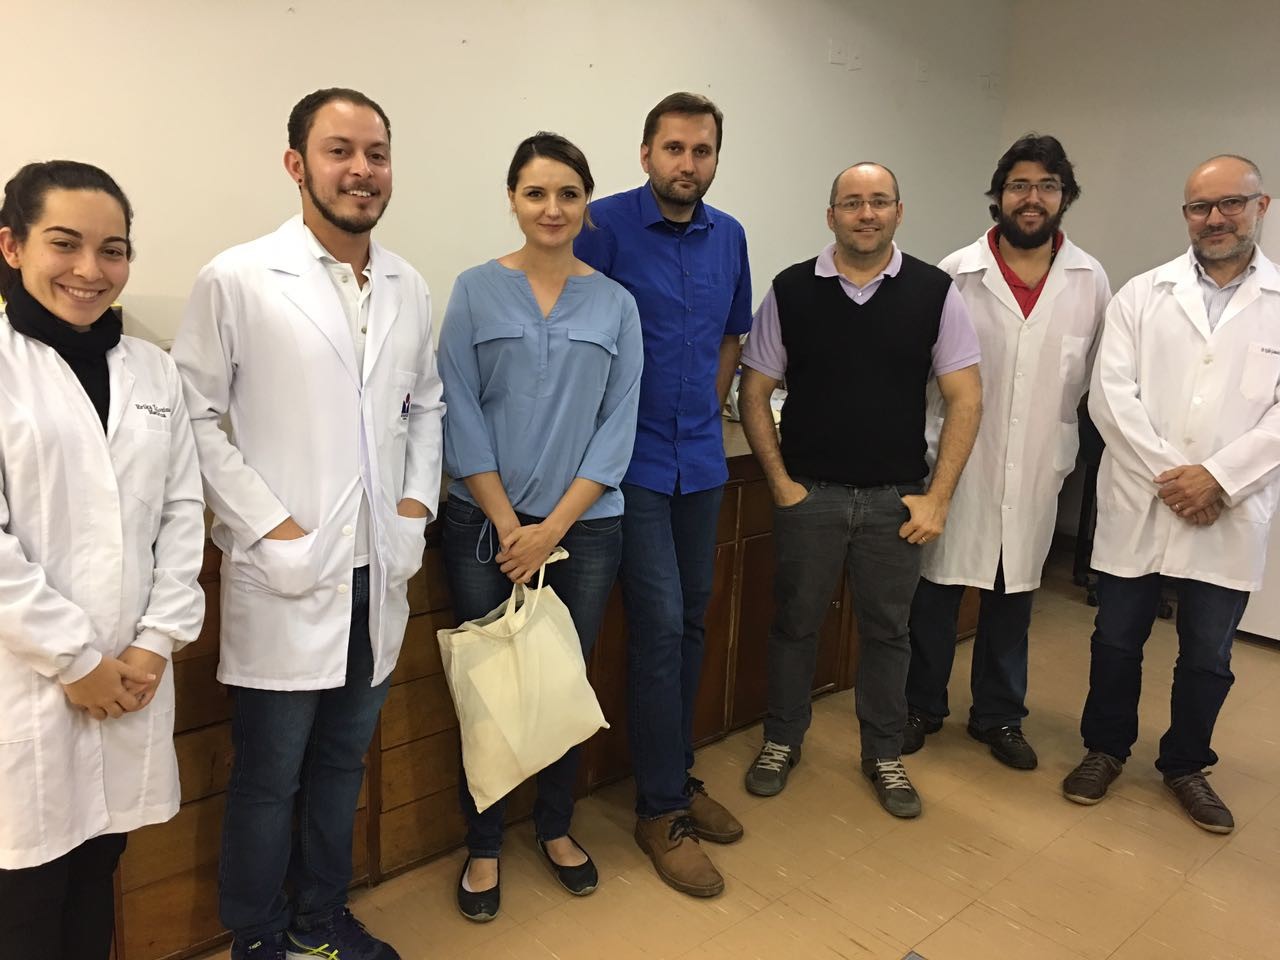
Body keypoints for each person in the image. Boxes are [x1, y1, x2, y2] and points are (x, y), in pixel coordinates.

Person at [172, 88, 443, 960]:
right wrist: (271, 528)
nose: (362, 170)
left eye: (376, 153)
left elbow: (427, 407)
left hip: (378, 569)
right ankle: (258, 937)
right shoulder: (238, 278)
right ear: (297, 164)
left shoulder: (407, 285)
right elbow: (193, 416)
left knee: (340, 763)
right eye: (339, 151)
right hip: (286, 571)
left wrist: (413, 509)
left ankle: (321, 920)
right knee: (269, 776)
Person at [0, 160, 206, 960]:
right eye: (65, 243)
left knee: (97, 874)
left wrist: (156, 640)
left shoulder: (151, 370)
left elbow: (182, 512)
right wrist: (75, 659)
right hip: (28, 682)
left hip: (131, 674)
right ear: (12, 247)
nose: (90, 269)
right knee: (25, 897)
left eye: (112, 250)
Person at [438, 131, 642, 921]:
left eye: (568, 193)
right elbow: (457, 410)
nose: (552, 208)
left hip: (582, 528)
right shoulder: (473, 290)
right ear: (513, 200)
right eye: (535, 193)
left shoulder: (616, 304)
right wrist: (507, 523)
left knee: (562, 681)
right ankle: (484, 842)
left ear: (587, 203)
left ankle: (555, 826)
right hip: (482, 524)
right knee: (489, 685)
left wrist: (550, 527)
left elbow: (617, 426)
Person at [739, 162, 982, 818]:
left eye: (878, 202)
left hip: (894, 501)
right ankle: (782, 740)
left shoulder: (935, 292)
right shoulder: (791, 290)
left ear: (899, 211)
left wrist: (938, 497)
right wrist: (780, 483)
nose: (865, 214)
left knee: (888, 632)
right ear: (831, 216)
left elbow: (966, 398)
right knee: (795, 625)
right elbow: (754, 391)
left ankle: (883, 752)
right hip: (809, 496)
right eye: (851, 203)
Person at [1063, 155, 1279, 835]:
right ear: (1185, 214)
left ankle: (1186, 764)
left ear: (1261, 206)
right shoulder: (1141, 294)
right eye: (1199, 206)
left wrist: (1218, 478)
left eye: (1230, 203)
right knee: (1115, 638)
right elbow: (1110, 397)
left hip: (1230, 508)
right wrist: (1178, 479)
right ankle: (1104, 749)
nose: (1215, 218)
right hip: (1144, 498)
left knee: (1208, 654)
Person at [574, 91, 749, 898]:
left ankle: (675, 771)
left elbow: (730, 337)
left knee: (692, 622)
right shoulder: (602, 227)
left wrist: (707, 412)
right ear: (646, 153)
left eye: (701, 150)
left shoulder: (730, 236)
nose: (688, 163)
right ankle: (659, 809)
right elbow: (577, 341)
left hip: (701, 462)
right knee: (658, 625)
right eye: (674, 148)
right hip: (631, 466)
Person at [903, 135, 1110, 769]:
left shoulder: (1089, 279)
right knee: (936, 592)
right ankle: (920, 706)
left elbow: (1093, 376)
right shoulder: (956, 273)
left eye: (1047, 186)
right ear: (999, 196)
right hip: (957, 461)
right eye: (1019, 185)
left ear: (1064, 197)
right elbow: (923, 373)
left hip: (1038, 463)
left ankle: (998, 715)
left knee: (1013, 593)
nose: (1032, 198)